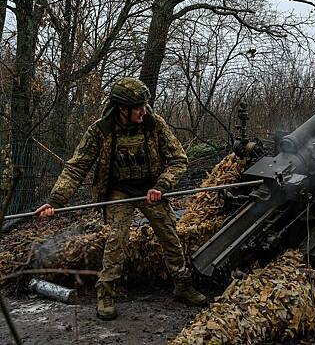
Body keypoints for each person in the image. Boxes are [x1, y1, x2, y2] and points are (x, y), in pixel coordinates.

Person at [36, 77, 207, 320]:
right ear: (122, 109)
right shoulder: (100, 130)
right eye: (138, 107)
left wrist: (162, 184)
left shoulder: (154, 124)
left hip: (151, 188)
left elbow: (179, 159)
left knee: (170, 234)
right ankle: (105, 293)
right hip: (119, 192)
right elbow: (76, 167)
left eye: (145, 105)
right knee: (117, 239)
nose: (143, 111)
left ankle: (182, 285)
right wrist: (55, 201)